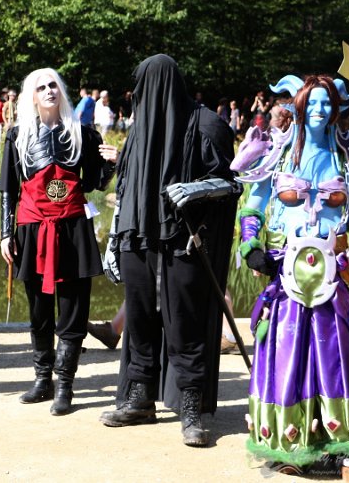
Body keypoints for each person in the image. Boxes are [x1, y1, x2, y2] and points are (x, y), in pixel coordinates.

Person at [98, 55, 238, 448]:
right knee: (140, 319)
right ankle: (140, 399)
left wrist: (196, 189)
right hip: (137, 236)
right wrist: (114, 239)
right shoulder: (138, 130)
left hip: (184, 239)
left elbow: (230, 183)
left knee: (184, 323)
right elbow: (125, 188)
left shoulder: (206, 124)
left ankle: (192, 408)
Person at [233, 74, 349, 474]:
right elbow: (253, 207)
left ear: (336, 109)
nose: (319, 110)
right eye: (312, 102)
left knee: (334, 352)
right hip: (287, 271)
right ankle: (288, 441)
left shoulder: (346, 159)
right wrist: (251, 247)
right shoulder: (277, 156)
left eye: (326, 103)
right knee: (287, 351)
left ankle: (338, 438)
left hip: (334, 272)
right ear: (298, 105)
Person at [0, 68, 118, 416]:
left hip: (73, 228)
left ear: (61, 91)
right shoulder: (17, 135)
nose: (49, 90)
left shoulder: (84, 133)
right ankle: (43, 380)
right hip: (32, 229)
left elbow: (95, 183)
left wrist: (112, 164)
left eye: (53, 85)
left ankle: (65, 384)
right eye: (41, 87)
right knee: (39, 311)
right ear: (32, 96)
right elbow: (8, 188)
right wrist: (6, 233)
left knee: (73, 309)